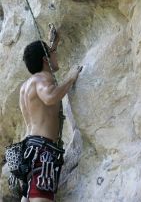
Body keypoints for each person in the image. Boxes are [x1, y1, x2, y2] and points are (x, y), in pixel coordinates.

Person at [19, 30, 82, 202]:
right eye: (53, 52)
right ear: (45, 59)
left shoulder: (26, 86)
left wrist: (51, 46)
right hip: (43, 153)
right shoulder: (42, 78)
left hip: (29, 151)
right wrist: (70, 78)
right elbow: (49, 96)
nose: (56, 55)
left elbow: (43, 63)